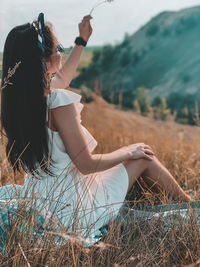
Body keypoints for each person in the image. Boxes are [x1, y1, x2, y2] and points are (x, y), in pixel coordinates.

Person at [0, 12, 192, 244]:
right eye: (59, 48)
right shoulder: (59, 103)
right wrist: (129, 151)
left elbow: (62, 78)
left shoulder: (18, 98)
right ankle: (191, 206)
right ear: (43, 60)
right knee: (144, 154)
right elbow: (87, 164)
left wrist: (81, 41)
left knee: (130, 158)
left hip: (42, 200)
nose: (62, 51)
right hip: (74, 210)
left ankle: (178, 199)